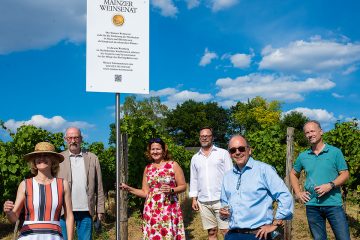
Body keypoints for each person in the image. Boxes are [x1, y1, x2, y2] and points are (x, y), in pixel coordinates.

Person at [220, 135, 293, 240]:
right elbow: (224, 203)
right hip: (233, 234)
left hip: (257, 235)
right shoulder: (227, 176)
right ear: (230, 154)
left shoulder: (264, 170)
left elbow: (285, 196)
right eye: (233, 150)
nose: (237, 152)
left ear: (249, 150)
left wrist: (275, 224)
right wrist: (223, 213)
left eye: (241, 148)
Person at [289, 120, 350, 240]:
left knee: (343, 238)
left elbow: (345, 174)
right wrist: (298, 192)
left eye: (312, 131)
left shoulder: (335, 152)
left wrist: (330, 185)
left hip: (333, 205)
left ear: (321, 132)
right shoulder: (303, 156)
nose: (310, 134)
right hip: (312, 206)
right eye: (307, 132)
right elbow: (293, 173)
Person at [3, 142, 74, 240]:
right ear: (34, 161)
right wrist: (8, 212)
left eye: (45, 155)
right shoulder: (25, 184)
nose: (41, 158)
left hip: (54, 237)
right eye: (38, 156)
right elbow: (14, 218)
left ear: (53, 160)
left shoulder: (62, 184)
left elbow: (69, 216)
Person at [121, 137, 187, 239]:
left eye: (158, 149)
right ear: (149, 151)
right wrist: (129, 188)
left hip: (168, 208)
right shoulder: (148, 168)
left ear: (164, 150)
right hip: (151, 210)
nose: (155, 151)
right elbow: (145, 192)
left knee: (168, 235)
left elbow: (183, 186)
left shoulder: (173, 165)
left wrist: (171, 190)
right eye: (153, 149)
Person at [57, 127, 105, 240]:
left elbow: (99, 186)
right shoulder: (58, 159)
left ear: (81, 139)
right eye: (70, 138)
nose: (73, 141)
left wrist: (100, 209)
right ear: (65, 139)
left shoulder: (92, 158)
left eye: (76, 137)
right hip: (64, 210)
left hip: (86, 210)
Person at [189, 127, 233, 239]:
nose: (204, 138)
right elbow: (194, 179)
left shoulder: (223, 153)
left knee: (226, 231)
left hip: (221, 200)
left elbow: (230, 176)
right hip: (203, 201)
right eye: (202, 136)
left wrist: (231, 197)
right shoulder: (195, 158)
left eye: (207, 136)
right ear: (199, 138)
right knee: (211, 232)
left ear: (212, 137)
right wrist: (194, 198)